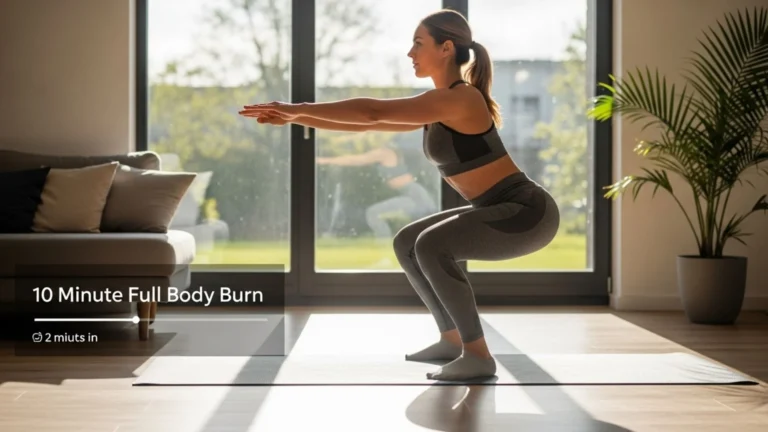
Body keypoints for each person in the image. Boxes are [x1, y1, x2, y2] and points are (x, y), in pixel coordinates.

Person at [239, 8, 560, 381]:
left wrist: (297, 108)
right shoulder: (438, 103)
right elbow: (368, 124)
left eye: (418, 44)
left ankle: (478, 355)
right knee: (408, 241)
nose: (410, 53)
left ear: (446, 48)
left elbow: (372, 112)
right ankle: (452, 339)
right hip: (500, 208)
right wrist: (296, 117)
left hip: (525, 213)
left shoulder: (461, 99)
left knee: (431, 245)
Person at [316, 142, 438, 241]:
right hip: (413, 194)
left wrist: (325, 161)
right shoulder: (389, 152)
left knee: (373, 213)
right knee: (375, 214)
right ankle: (389, 253)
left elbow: (357, 160)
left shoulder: (383, 153)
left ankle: (386, 252)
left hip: (414, 195)